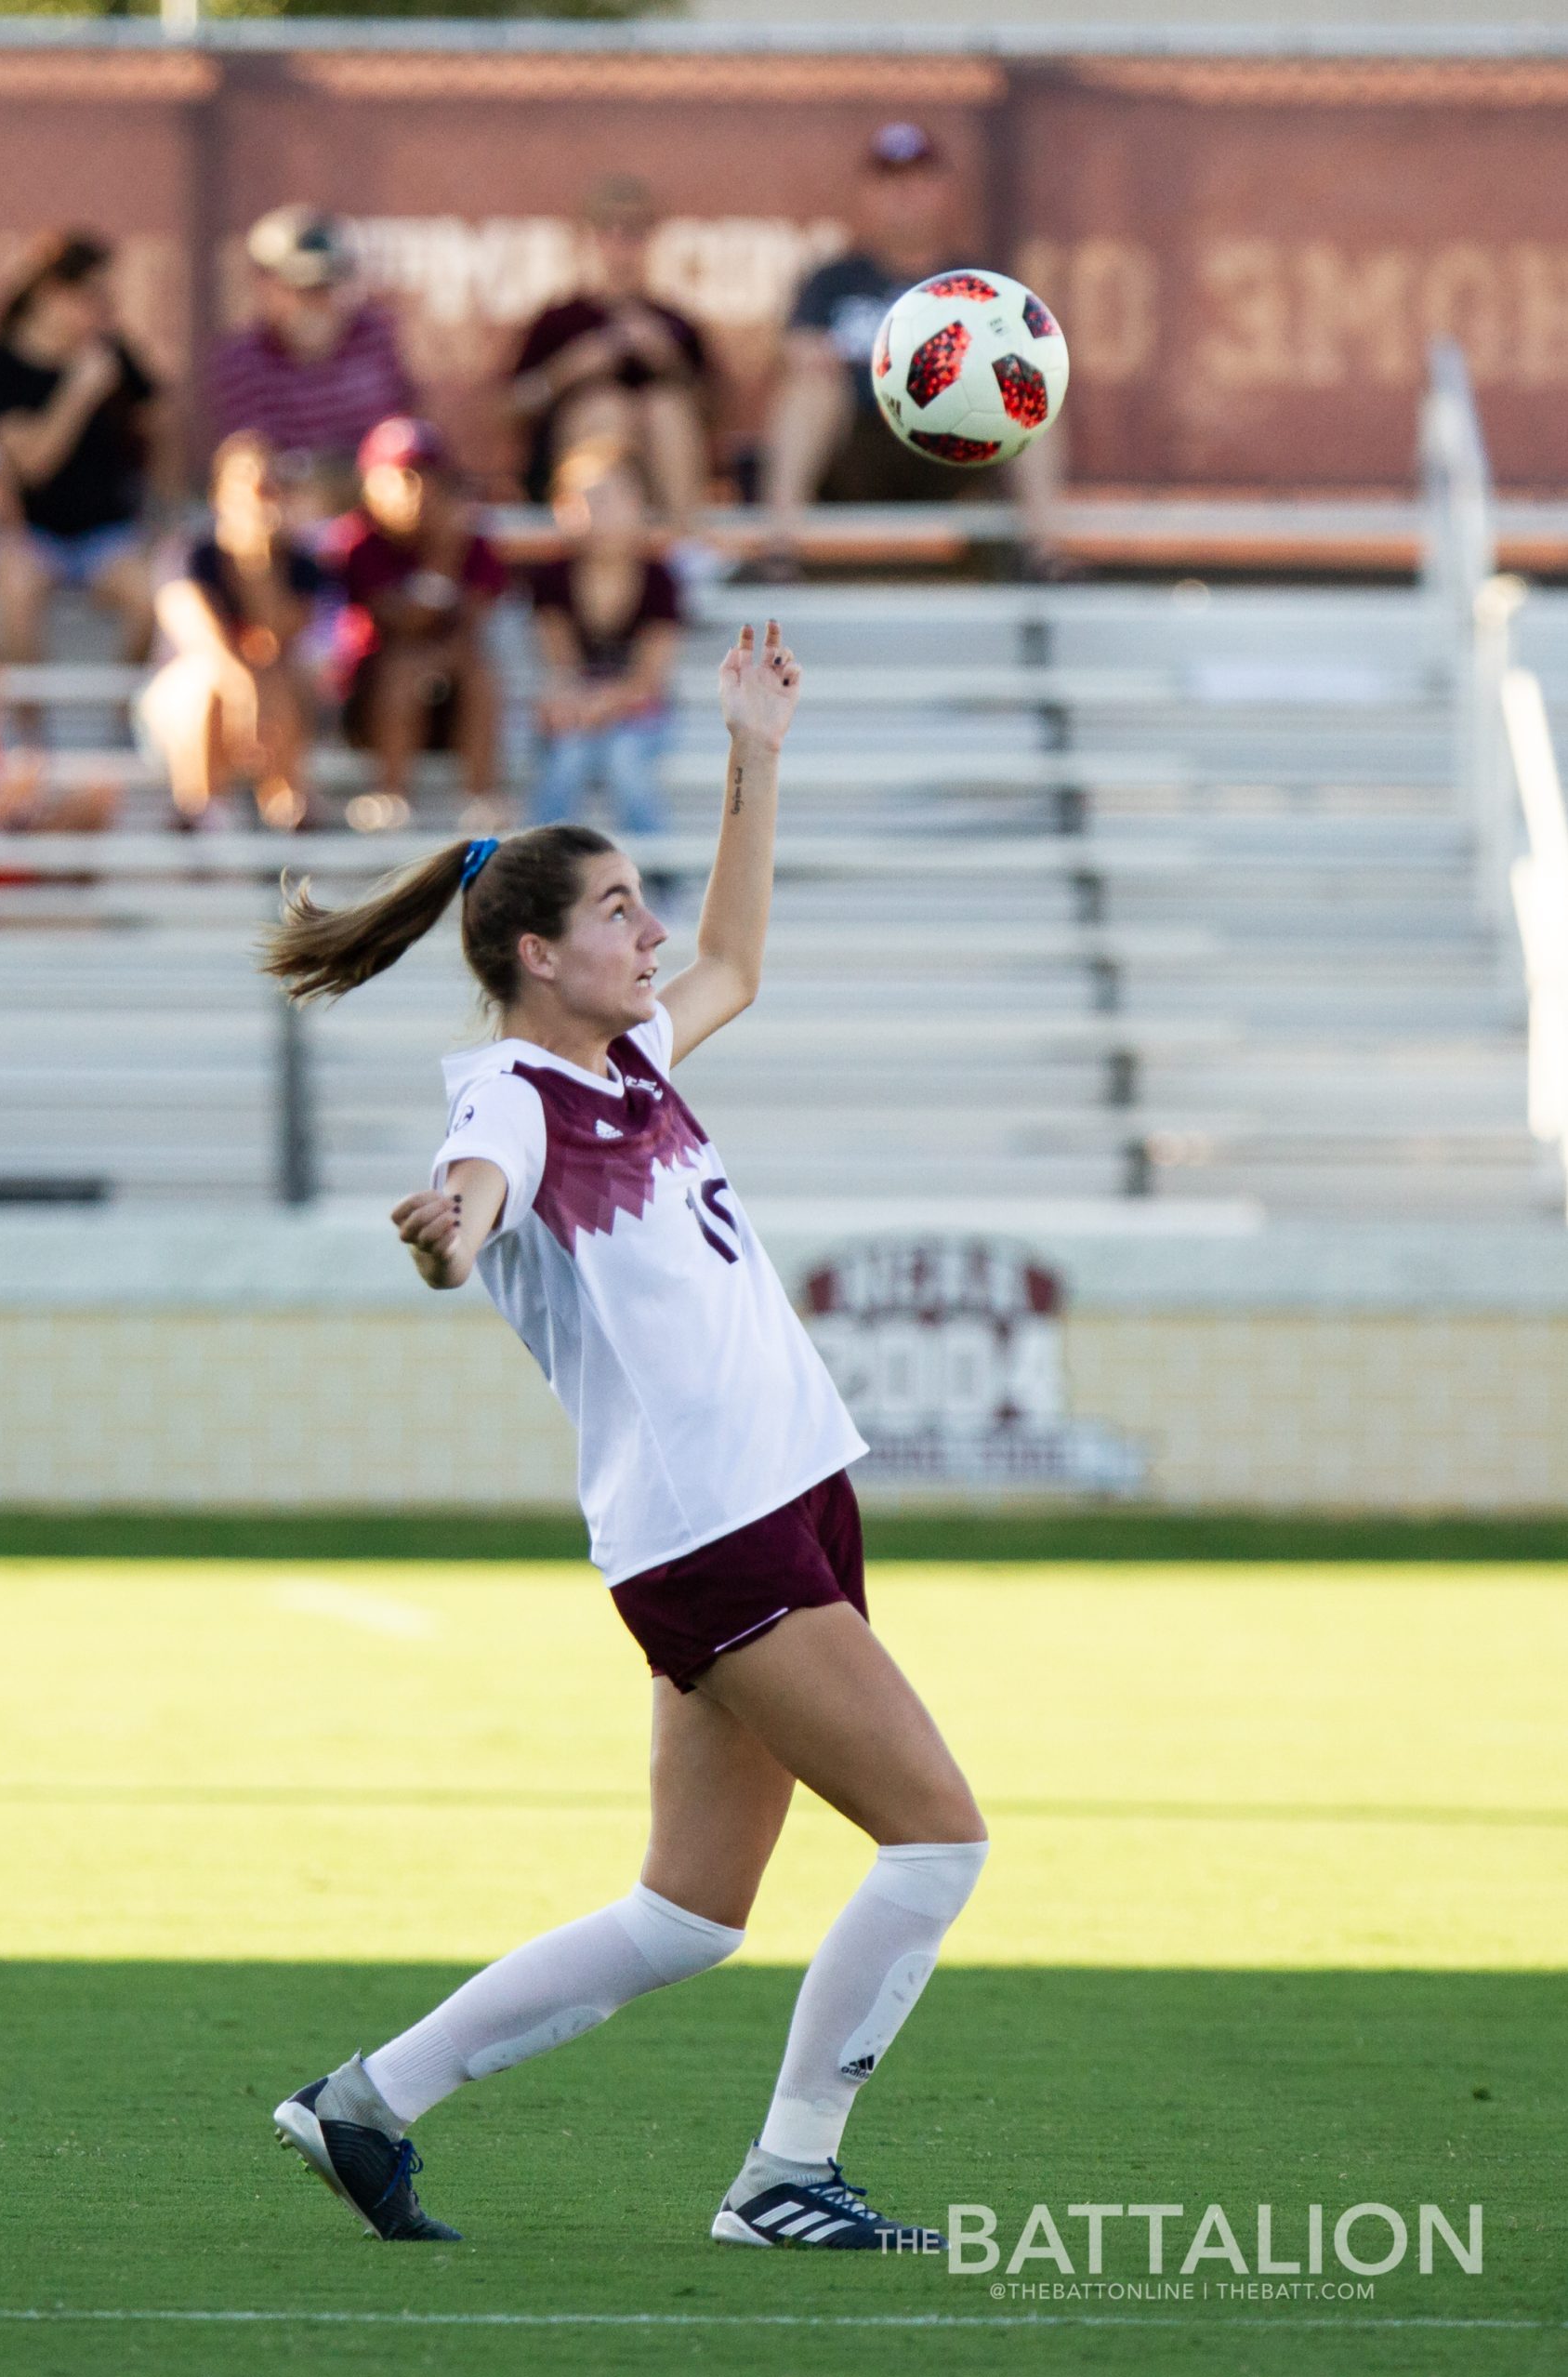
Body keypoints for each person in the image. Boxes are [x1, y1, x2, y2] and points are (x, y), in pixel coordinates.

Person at [258, 620, 988, 2251]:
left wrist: (755, 753)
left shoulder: (631, 1053)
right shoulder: (513, 1098)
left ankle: (362, 2105)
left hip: (775, 1501)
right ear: (533, 955)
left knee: (686, 1915)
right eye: (613, 911)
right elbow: (473, 1198)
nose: (649, 934)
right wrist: (449, 1233)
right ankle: (786, 2175)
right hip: (714, 1532)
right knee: (936, 1842)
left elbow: (734, 958)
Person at [759, 124, 1064, 577]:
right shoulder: (833, 280)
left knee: (1029, 381)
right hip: (858, 450)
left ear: (944, 191)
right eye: (891, 182)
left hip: (954, 447)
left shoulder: (976, 283)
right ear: (867, 193)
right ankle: (779, 552)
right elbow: (798, 349)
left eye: (919, 180)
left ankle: (1046, 553)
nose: (905, 195)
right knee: (808, 386)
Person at [0, 230, 172, 668]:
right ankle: (29, 732)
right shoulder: (2, 363)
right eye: (92, 296)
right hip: (30, 535)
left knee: (155, 598)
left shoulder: (111, 351)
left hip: (108, 536)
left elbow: (160, 419)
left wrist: (161, 501)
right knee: (14, 591)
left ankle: (124, 723)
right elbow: (31, 465)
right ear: (51, 292)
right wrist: (78, 391)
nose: (102, 310)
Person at [504, 174, 710, 535]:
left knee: (665, 407)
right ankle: (595, 530)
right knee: (605, 407)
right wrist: (569, 370)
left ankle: (685, 543)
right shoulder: (559, 320)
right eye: (607, 229)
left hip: (658, 474)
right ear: (588, 238)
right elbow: (510, 407)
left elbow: (713, 412)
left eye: (633, 230)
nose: (619, 243)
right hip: (571, 470)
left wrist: (669, 362)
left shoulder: (674, 323)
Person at [325, 415, 507, 822]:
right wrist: (444, 556)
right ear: (371, 482)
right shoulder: (358, 541)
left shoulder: (473, 540)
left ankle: (480, 800)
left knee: (479, 674)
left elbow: (474, 620)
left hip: (446, 698)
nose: (420, 490)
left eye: (430, 476)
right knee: (402, 670)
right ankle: (390, 796)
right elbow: (400, 626)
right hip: (366, 706)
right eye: (405, 476)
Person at [138, 431, 322, 831]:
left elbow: (274, 642)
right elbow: (204, 641)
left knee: (275, 676)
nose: (261, 501)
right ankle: (203, 812)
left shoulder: (299, 565)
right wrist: (244, 691)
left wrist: (260, 565)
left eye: (271, 489)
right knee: (209, 681)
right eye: (252, 488)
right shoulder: (190, 554)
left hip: (266, 697)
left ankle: (284, 809)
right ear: (220, 494)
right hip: (185, 704)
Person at [529, 444, 679, 836]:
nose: (600, 511)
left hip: (640, 710)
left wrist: (601, 703)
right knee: (565, 762)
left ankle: (658, 877)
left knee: (626, 763)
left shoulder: (660, 579)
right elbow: (561, 665)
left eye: (612, 498)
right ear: (562, 508)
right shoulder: (551, 579)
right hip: (577, 705)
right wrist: (575, 703)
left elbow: (649, 680)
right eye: (588, 499)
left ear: (638, 505)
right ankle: (538, 875)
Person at [210, 207, 414, 497]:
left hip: (379, 511)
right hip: (289, 519)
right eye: (304, 287)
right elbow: (250, 460)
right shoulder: (243, 360)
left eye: (328, 285)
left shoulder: (374, 337)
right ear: (267, 286)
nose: (319, 301)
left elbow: (404, 430)